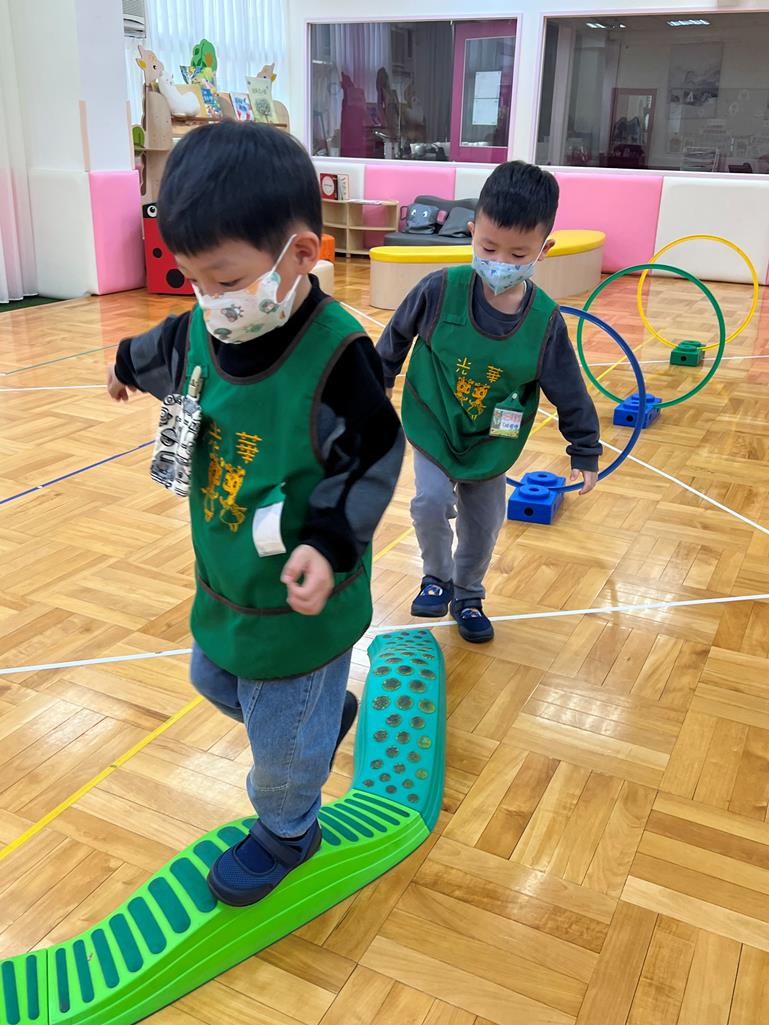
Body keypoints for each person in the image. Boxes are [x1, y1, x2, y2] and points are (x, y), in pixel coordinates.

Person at [107, 122, 404, 906]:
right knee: (211, 675)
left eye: (225, 279)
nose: (209, 301)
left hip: (302, 593)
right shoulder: (204, 325)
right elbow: (161, 346)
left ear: (300, 255)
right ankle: (317, 723)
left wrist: (330, 544)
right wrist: (123, 365)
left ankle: (287, 829)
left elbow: (373, 452)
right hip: (230, 578)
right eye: (193, 281)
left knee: (277, 744)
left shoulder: (338, 355)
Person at [377, 160, 601, 645]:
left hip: (493, 438)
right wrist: (379, 384)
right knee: (430, 501)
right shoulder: (440, 290)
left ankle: (468, 594)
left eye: (518, 253)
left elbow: (569, 389)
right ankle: (435, 577)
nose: (500, 261)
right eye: (488, 247)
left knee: (484, 524)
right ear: (472, 232)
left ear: (543, 250)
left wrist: (584, 449)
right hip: (436, 421)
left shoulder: (544, 322)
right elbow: (393, 338)